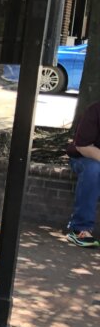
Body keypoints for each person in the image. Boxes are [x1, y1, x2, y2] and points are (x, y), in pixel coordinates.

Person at [65, 100, 100, 247]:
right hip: (85, 156)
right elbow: (83, 146)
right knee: (94, 169)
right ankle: (79, 229)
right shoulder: (95, 110)